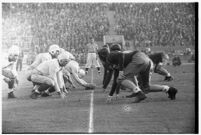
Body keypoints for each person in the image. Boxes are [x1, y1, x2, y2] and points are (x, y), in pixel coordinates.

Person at [98, 47, 178, 103]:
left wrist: (121, 70)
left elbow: (121, 56)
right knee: (146, 87)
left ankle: (139, 93)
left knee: (121, 79)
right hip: (147, 60)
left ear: (102, 56)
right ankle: (169, 89)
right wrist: (110, 95)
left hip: (138, 58)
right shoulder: (116, 60)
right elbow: (117, 78)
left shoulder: (110, 56)